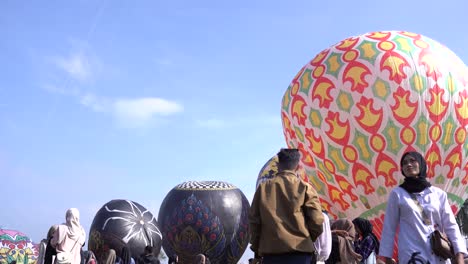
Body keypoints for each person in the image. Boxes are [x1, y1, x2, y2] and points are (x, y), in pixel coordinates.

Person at [379, 151, 468, 264]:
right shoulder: (397, 194)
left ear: (421, 164)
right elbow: (389, 228)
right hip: (412, 255)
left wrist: (459, 254)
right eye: (405, 163)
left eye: (412, 160)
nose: (408, 165)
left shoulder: (438, 194)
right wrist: (387, 257)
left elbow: (451, 225)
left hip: (438, 253)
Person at [249, 148, 324, 264]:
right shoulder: (305, 188)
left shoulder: (263, 189)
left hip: (271, 255)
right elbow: (317, 221)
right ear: (298, 166)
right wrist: (306, 239)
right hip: (301, 255)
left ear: (278, 165)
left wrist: (256, 249)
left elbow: (254, 222)